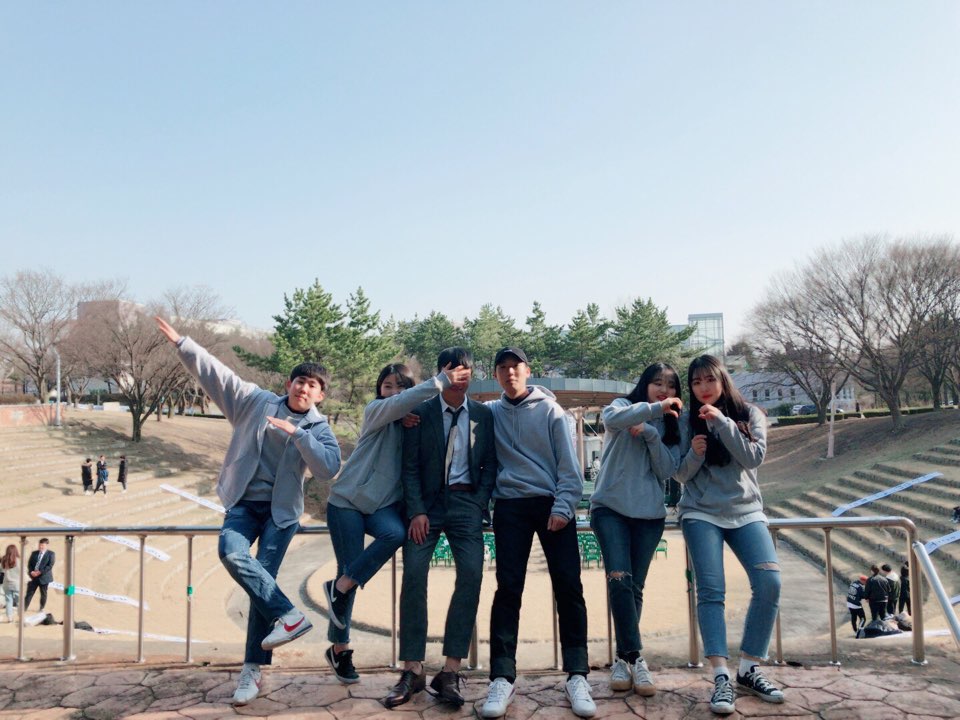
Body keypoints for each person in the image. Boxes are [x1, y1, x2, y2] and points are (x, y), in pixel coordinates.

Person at [156, 316, 342, 706]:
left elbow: (328, 468)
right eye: (300, 381)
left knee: (262, 586)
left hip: (281, 514)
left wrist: (298, 434)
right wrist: (183, 344)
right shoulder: (256, 402)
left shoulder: (319, 429)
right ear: (288, 384)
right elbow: (218, 375)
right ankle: (290, 615)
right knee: (231, 551)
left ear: (321, 395)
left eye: (313, 385)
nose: (304, 388)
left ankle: (252, 670)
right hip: (242, 503)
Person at [323, 360, 470, 685]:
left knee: (394, 534)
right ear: (380, 390)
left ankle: (340, 587)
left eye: (400, 387)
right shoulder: (376, 410)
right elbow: (396, 406)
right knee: (347, 572)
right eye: (387, 386)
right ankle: (340, 648)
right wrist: (439, 381)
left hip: (381, 507)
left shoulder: (413, 421)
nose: (393, 392)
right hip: (347, 501)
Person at [481, 347, 595, 719]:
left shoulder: (551, 411)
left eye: (516, 366)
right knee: (508, 588)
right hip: (510, 505)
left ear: (528, 371)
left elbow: (569, 465)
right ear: (496, 375)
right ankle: (502, 676)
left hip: (550, 503)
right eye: (502, 368)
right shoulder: (491, 412)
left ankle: (577, 674)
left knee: (569, 586)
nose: (510, 373)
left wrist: (564, 506)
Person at [384, 347, 497, 709]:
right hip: (427, 508)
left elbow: (490, 465)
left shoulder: (484, 415)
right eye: (452, 370)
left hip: (466, 505)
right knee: (414, 576)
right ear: (440, 374)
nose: (459, 376)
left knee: (472, 576)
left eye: (465, 370)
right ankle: (413, 669)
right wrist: (416, 510)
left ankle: (450, 671)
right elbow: (410, 467)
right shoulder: (420, 413)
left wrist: (479, 501)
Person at [675, 355, 783, 715]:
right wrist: (694, 454)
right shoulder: (686, 421)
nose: (703, 388)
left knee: (769, 582)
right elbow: (680, 475)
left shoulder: (749, 414)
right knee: (711, 590)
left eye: (709, 379)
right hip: (701, 511)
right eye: (696, 382)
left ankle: (749, 668)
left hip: (746, 510)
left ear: (723, 379)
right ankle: (720, 675)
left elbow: (753, 458)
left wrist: (722, 424)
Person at [589, 362, 683, 696]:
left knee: (635, 588)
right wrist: (655, 409)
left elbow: (667, 469)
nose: (664, 390)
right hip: (610, 509)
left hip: (648, 515)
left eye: (670, 386)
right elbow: (612, 420)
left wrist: (651, 433)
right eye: (657, 383)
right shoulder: (623, 406)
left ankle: (622, 659)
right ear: (645, 384)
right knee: (619, 580)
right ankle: (637, 658)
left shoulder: (671, 426)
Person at [23, 538, 55, 613]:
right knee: (29, 593)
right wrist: (31, 572)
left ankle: (41, 608)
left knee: (43, 594)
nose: (41, 547)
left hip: (44, 578)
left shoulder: (51, 554)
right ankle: (24, 608)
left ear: (46, 545)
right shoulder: (34, 553)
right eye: (40, 545)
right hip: (33, 577)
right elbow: (30, 564)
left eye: (42, 545)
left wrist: (39, 572)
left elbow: (49, 566)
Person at [2, 545, 21, 622]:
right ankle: (20, 616)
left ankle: (9, 617)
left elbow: (2, 570)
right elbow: (22, 571)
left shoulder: (4, 560)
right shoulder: (18, 560)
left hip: (6, 584)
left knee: (8, 601)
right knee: (19, 601)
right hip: (16, 584)